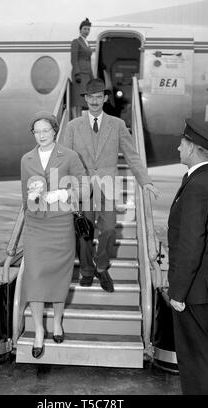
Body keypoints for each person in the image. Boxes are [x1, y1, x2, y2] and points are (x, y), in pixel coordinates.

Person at [63, 78, 159, 293]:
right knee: (84, 233)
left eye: (99, 97)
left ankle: (101, 265)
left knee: (108, 229)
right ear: (86, 99)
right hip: (82, 188)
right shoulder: (73, 126)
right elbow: (65, 159)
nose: (95, 101)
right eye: (91, 97)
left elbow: (132, 155)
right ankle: (87, 270)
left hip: (108, 188)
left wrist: (145, 181)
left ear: (105, 98)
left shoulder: (117, 125)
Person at [167, 118, 208, 395]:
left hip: (191, 290)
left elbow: (192, 244)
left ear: (192, 147)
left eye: (182, 143)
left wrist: (178, 293)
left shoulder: (197, 186)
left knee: (195, 360)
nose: (178, 147)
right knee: (202, 355)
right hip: (205, 283)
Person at [20, 111, 89, 359]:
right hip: (36, 227)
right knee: (35, 276)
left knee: (59, 277)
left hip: (60, 226)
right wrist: (31, 200)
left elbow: (85, 186)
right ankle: (39, 330)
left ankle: (58, 321)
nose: (41, 136)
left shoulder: (69, 156)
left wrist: (64, 194)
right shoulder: (26, 159)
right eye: (36, 132)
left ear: (54, 131)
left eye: (45, 131)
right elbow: (24, 197)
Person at [70, 17, 93, 118]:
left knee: (83, 100)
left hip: (87, 75)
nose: (86, 31)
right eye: (85, 29)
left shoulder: (87, 44)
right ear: (80, 30)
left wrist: (92, 77)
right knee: (77, 100)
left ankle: (79, 118)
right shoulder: (76, 41)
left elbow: (89, 61)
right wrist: (77, 73)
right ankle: (75, 118)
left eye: (88, 29)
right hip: (80, 74)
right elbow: (73, 59)